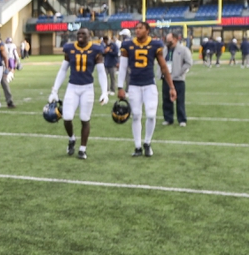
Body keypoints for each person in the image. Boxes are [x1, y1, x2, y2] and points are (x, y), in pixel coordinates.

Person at [48, 27, 107, 160]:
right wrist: (55, 90)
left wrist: (104, 92)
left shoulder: (96, 50)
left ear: (89, 36)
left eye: (83, 34)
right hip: (72, 87)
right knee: (67, 117)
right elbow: (63, 70)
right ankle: (71, 138)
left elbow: (101, 72)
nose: (80, 35)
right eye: (78, 33)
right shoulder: (70, 48)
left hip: (87, 88)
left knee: (84, 118)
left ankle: (82, 149)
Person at [119, 20, 176, 157]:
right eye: (136, 28)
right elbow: (123, 67)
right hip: (134, 85)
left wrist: (171, 87)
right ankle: (138, 146)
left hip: (149, 84)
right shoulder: (128, 45)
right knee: (136, 115)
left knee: (151, 115)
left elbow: (163, 67)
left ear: (147, 31)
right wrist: (120, 87)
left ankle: (147, 142)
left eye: (140, 28)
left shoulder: (155, 44)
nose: (137, 30)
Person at [162, 29, 192, 127]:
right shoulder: (165, 49)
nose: (167, 42)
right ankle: (168, 118)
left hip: (178, 79)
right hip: (166, 78)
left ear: (175, 39)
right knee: (166, 99)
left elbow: (188, 63)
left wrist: (179, 72)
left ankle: (182, 119)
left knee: (180, 100)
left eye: (169, 40)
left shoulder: (183, 50)